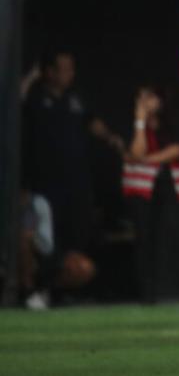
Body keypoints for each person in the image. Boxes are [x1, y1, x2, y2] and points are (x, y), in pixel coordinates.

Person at [21, 51, 122, 302]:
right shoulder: (35, 98)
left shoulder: (75, 100)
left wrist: (112, 139)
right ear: (50, 72)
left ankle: (65, 291)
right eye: (64, 69)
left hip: (75, 186)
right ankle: (35, 289)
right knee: (44, 241)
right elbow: (14, 103)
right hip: (45, 186)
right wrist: (31, 77)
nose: (70, 74)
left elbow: (92, 122)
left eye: (71, 69)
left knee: (77, 240)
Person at [122, 86, 179, 304]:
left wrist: (149, 160)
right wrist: (140, 121)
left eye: (150, 97)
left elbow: (178, 149)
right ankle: (147, 294)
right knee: (145, 238)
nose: (146, 102)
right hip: (143, 190)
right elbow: (136, 151)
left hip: (172, 187)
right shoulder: (132, 125)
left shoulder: (172, 122)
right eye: (141, 98)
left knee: (175, 236)